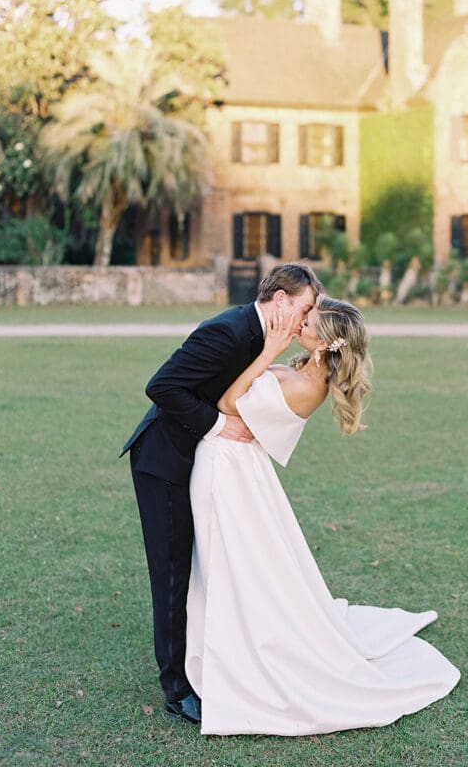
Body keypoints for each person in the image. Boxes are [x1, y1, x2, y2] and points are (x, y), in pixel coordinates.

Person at [184, 294, 460, 735]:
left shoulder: (304, 384)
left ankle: (230, 650)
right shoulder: (306, 370)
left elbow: (229, 403)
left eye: (308, 321)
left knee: (230, 561)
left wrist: (268, 351)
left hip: (229, 470)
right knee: (230, 560)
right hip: (233, 466)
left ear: (325, 344)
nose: (298, 322)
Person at [121, 263, 321, 724]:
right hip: (164, 463)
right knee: (172, 573)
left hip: (200, 465)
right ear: (280, 301)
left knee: (200, 569)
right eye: (305, 308)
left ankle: (211, 659)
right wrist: (218, 424)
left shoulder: (263, 337)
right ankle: (177, 689)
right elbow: (161, 386)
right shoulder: (228, 332)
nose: (307, 318)